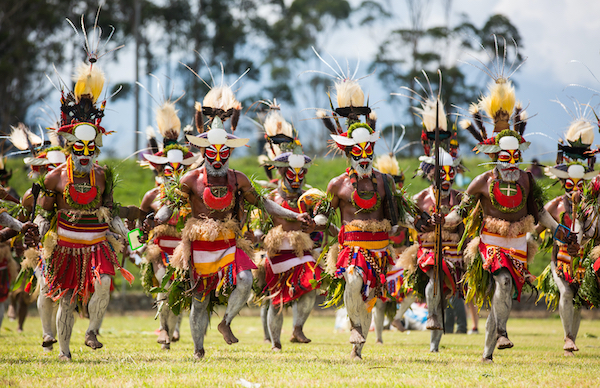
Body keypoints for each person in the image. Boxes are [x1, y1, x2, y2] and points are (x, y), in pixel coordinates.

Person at [157, 82, 313, 360]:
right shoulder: (190, 179)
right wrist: (154, 218)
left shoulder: (237, 178)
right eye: (212, 153)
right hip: (201, 244)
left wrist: (293, 214)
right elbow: (169, 207)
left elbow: (263, 202)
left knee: (244, 280)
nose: (218, 159)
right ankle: (198, 350)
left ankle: (226, 321)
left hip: (230, 241)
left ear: (230, 152)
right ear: (204, 152)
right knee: (199, 300)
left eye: (224, 153)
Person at [444, 70, 575, 363]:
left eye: (515, 158)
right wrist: (444, 220)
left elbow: (539, 212)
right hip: (490, 243)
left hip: (517, 246)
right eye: (506, 158)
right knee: (502, 283)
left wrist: (557, 230)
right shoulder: (482, 181)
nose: (511, 164)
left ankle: (488, 353)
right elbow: (461, 211)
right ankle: (502, 332)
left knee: (501, 298)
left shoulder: (527, 180)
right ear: (495, 156)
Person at [37, 56, 133, 361]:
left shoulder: (102, 174)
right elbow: (44, 213)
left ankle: (92, 330)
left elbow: (109, 209)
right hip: (65, 244)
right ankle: (64, 351)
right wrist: (37, 233)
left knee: (104, 283)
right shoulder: (55, 176)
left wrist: (122, 231)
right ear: (69, 146)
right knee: (65, 298)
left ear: (97, 148)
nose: (85, 153)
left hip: (96, 242)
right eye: (79, 148)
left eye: (90, 148)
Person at [316, 75, 415, 360]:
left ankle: (358, 350)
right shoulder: (337, 184)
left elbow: (397, 217)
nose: (363, 156)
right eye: (357, 151)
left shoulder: (384, 182)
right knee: (352, 280)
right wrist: (316, 220)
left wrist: (417, 222)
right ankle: (353, 327)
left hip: (380, 250)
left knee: (368, 300)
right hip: (351, 249)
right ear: (348, 151)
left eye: (368, 150)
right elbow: (324, 215)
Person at [400, 85, 466, 351]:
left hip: (453, 254)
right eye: (442, 173)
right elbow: (404, 217)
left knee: (443, 296)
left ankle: (434, 343)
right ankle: (433, 318)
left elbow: (462, 217)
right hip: (428, 252)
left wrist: (447, 220)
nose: (446, 178)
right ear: (431, 173)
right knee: (433, 281)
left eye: (451, 173)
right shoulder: (420, 199)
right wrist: (418, 223)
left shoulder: (461, 197)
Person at [256, 106, 323, 351]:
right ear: (283, 173)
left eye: (300, 174)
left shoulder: (312, 196)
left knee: (311, 285)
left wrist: (315, 227)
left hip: (302, 253)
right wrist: (261, 242)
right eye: (291, 174)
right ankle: (275, 343)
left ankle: (297, 328)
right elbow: (258, 228)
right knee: (275, 301)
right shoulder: (270, 197)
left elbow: (319, 227)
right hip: (276, 255)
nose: (296, 179)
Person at [537, 113, 599, 356]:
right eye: (569, 183)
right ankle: (567, 337)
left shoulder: (592, 208)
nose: (575, 189)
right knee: (565, 292)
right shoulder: (555, 205)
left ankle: (571, 342)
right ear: (563, 183)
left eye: (579, 183)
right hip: (559, 260)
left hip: (582, 262)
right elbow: (537, 230)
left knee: (579, 302)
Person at [139, 99, 199, 350]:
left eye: (178, 169)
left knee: (180, 293)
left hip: (186, 250)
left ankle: (171, 329)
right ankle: (164, 331)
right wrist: (137, 246)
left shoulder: (193, 194)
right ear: (160, 168)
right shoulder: (152, 197)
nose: (173, 173)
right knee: (165, 289)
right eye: (168, 169)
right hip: (160, 252)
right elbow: (138, 224)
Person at [6, 124, 66, 348]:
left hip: (70, 246)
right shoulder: (31, 195)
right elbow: (20, 223)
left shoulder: (72, 191)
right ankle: (47, 334)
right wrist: (20, 242)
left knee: (63, 294)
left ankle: (60, 336)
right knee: (46, 287)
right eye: (48, 167)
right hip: (42, 249)